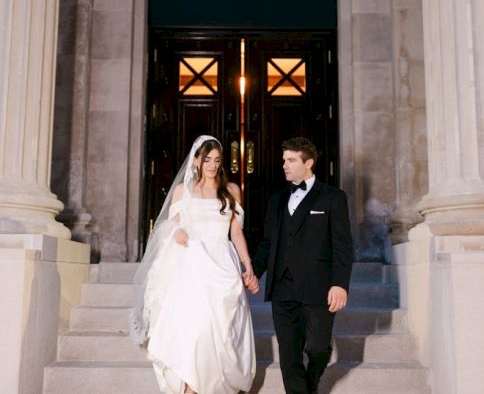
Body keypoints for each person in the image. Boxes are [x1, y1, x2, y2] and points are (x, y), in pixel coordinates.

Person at [130, 135, 257, 394]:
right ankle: (190, 387)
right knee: (197, 327)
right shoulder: (183, 191)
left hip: (222, 263)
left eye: (217, 160)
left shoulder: (231, 191)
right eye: (206, 159)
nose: (211, 165)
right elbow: (171, 223)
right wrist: (176, 231)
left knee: (220, 330)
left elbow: (236, 232)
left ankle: (210, 385)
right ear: (196, 160)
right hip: (192, 265)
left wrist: (248, 266)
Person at [247, 137, 354, 394]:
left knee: (317, 347)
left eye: (291, 160)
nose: (284, 165)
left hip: (319, 286)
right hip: (283, 287)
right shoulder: (276, 200)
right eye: (284, 160)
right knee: (289, 354)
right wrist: (254, 272)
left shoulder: (333, 198)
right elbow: (268, 242)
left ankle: (311, 384)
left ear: (308, 163)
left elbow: (342, 246)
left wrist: (340, 284)